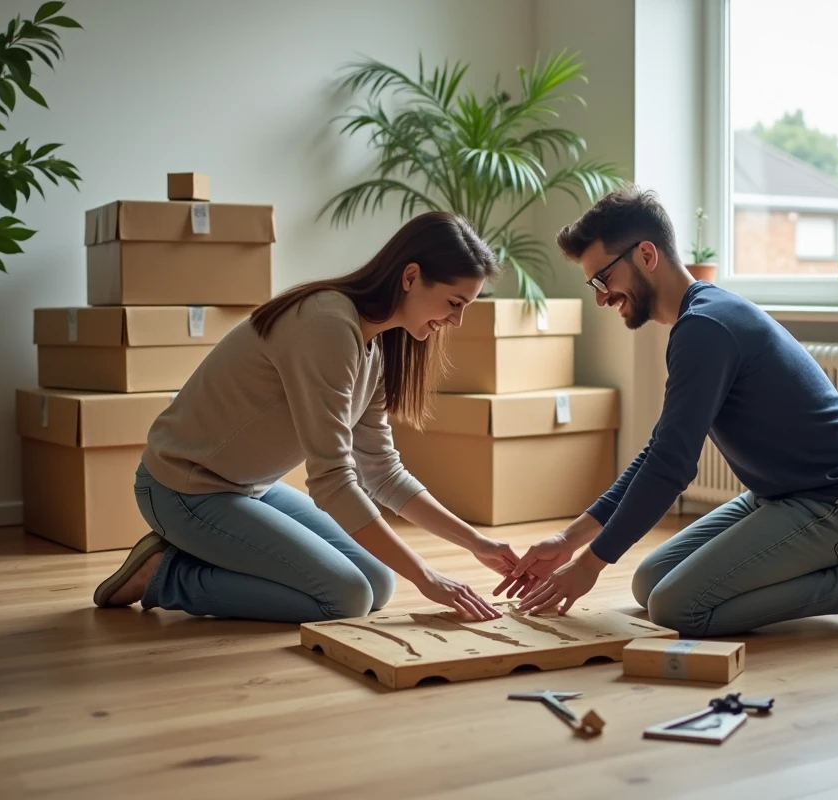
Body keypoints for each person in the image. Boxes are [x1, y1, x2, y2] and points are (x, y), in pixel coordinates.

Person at [496, 186, 838, 635]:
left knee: (678, 608)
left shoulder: (706, 327)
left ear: (646, 254)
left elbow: (672, 467)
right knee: (649, 583)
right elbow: (658, 454)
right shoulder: (700, 319)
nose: (601, 297)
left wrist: (590, 564)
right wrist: (569, 541)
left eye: (602, 279)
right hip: (781, 495)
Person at [94, 211, 528, 624]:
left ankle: (209, 551)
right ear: (411, 277)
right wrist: (427, 576)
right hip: (183, 489)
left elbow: (382, 472)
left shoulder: (375, 346)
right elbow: (332, 481)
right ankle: (165, 574)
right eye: (455, 302)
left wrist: (478, 543)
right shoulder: (327, 324)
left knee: (378, 582)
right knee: (345, 596)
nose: (456, 320)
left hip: (250, 489)